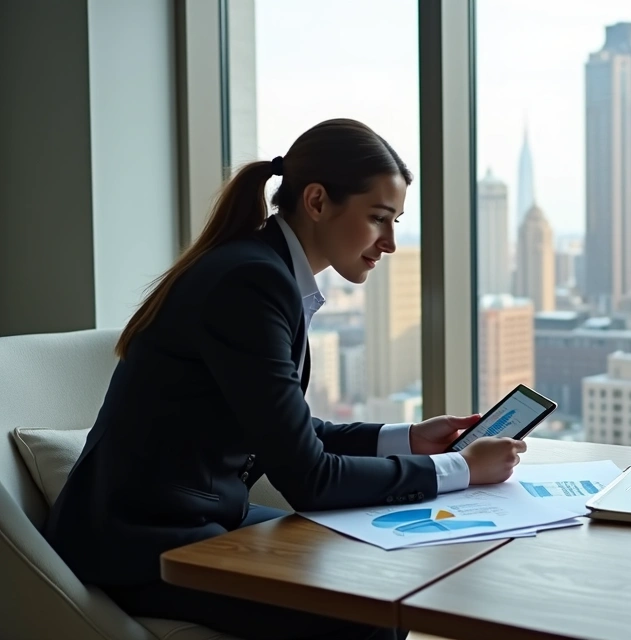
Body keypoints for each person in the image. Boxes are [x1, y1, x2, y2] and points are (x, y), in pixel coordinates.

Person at [45, 118, 526, 640]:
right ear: (317, 202)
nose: (390, 243)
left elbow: (286, 430)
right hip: (139, 546)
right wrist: (458, 469)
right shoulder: (251, 282)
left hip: (191, 524)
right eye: (378, 219)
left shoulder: (261, 270)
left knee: (386, 581)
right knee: (373, 616)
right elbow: (309, 480)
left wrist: (408, 438)